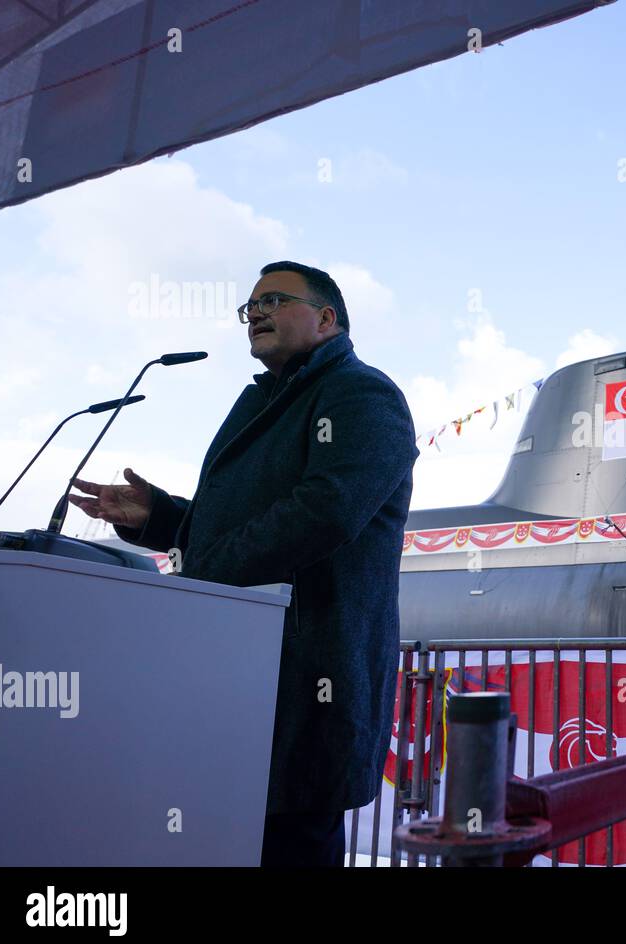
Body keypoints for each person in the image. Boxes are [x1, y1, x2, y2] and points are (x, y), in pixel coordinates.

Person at [68, 261, 418, 867]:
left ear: (326, 318)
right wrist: (157, 516)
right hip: (240, 672)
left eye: (274, 300)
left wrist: (198, 569)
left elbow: (325, 514)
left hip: (309, 676)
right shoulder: (262, 402)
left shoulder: (362, 394)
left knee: (292, 846)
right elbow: (228, 532)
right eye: (249, 306)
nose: (254, 313)